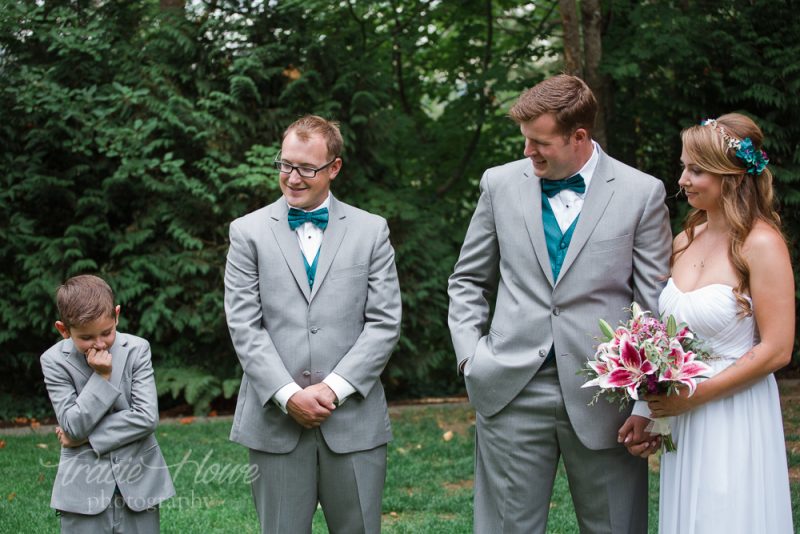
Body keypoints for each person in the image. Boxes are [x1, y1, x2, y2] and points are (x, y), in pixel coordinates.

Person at [448, 74, 672, 534]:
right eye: (525, 140)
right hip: (510, 388)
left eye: (539, 142)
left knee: (615, 526)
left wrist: (647, 403)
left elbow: (652, 305)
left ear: (579, 136)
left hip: (605, 397)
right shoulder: (499, 184)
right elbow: (468, 280)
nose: (528, 152)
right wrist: (472, 357)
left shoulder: (641, 192)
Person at [224, 115, 402, 534]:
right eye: (286, 164)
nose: (293, 177)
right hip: (275, 422)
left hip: (353, 421)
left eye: (307, 168)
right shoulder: (246, 232)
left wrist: (333, 388)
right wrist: (288, 396)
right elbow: (244, 326)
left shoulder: (371, 230)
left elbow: (384, 323)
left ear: (334, 168)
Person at [634, 113, 794, 533]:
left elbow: (778, 349)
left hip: (734, 409)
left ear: (733, 177)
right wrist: (648, 409)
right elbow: (664, 339)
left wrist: (696, 396)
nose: (683, 179)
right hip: (685, 414)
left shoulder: (762, 244)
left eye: (696, 169)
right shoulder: (685, 239)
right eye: (683, 167)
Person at [39, 274, 175, 533]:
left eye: (107, 332)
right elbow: (73, 424)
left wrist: (86, 439)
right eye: (87, 338)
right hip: (81, 489)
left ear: (117, 315)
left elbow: (146, 417)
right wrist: (102, 377)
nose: (100, 344)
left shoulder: (137, 349)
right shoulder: (54, 361)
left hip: (140, 484)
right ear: (63, 330)